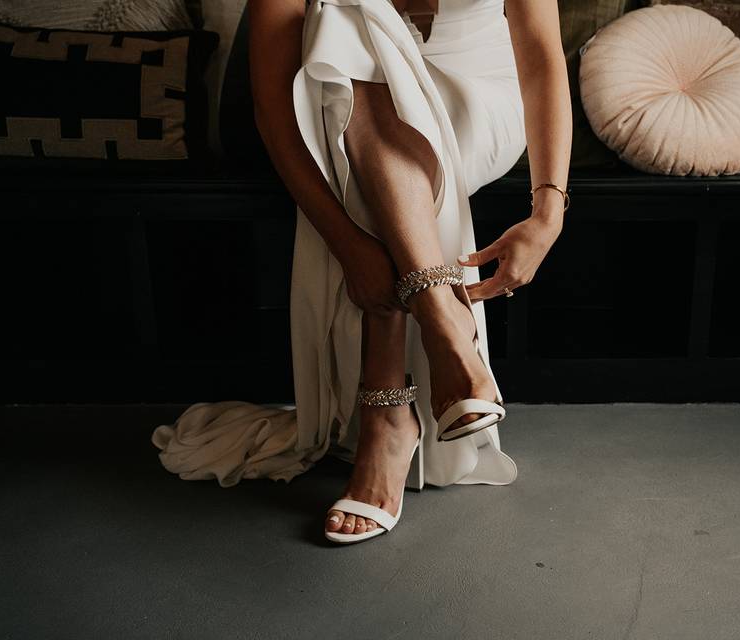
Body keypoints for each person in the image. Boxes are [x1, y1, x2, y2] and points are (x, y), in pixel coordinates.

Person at [152, 0, 571, 546]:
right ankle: (443, 320)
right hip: (345, 104)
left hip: (479, 92)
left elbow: (540, 56)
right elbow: (275, 106)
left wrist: (547, 213)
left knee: (354, 88)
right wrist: (349, 248)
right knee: (343, 25)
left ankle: (388, 413)